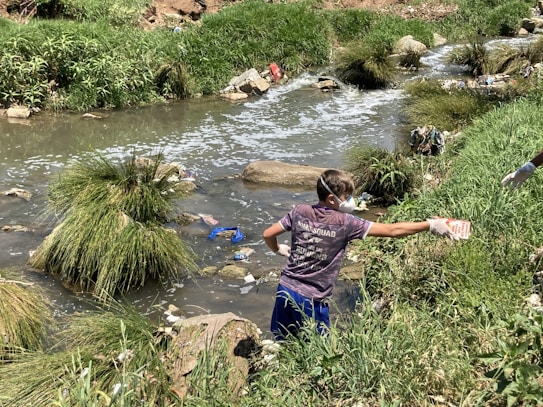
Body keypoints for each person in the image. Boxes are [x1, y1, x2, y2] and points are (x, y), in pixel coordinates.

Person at [262, 169, 461, 341]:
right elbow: (392, 231)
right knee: (318, 353)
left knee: (285, 341)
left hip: (285, 288)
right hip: (312, 299)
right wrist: (430, 225)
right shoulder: (346, 222)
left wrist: (278, 249)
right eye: (346, 197)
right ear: (332, 199)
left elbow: (268, 234)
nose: (350, 201)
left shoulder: (300, 211)